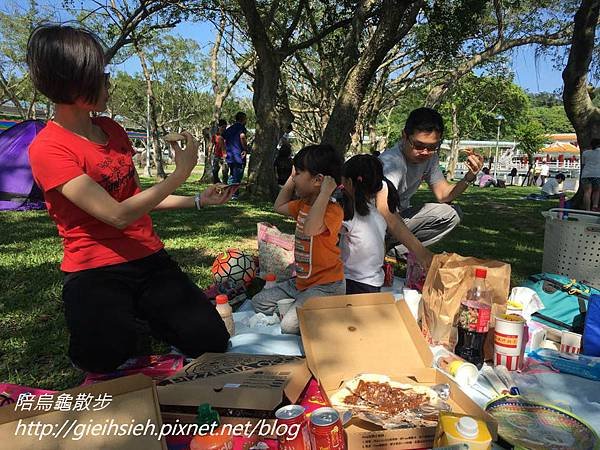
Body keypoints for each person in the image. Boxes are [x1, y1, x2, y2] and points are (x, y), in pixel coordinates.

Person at [26, 24, 235, 373]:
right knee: (101, 360)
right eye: (102, 75)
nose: (109, 83)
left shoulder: (113, 130)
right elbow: (118, 215)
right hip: (94, 269)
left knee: (211, 339)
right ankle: (129, 319)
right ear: (75, 83)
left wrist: (198, 200)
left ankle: (141, 314)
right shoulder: (48, 148)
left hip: (148, 258)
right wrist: (180, 173)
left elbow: (136, 198)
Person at [251, 144, 346, 334]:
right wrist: (291, 179)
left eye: (299, 173)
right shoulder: (302, 204)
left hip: (326, 287)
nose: (294, 177)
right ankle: (303, 308)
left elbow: (311, 228)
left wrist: (326, 192)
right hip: (300, 284)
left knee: (289, 325)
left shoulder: (333, 211)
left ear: (318, 180)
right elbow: (279, 206)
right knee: (258, 302)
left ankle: (320, 310)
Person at [379, 107, 484, 267]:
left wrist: (469, 176)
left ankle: (394, 251)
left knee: (451, 213)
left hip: (396, 218)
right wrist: (422, 253)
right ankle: (385, 248)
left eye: (432, 147)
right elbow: (384, 211)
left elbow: (444, 195)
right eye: (419, 145)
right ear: (404, 136)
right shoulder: (392, 163)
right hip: (374, 221)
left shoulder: (430, 157)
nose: (425, 152)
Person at [341, 154, 399, 294]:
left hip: (353, 282)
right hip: (374, 282)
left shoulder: (349, 214)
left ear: (348, 182)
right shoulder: (379, 215)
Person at [222, 111, 248, 194]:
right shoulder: (241, 127)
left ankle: (229, 192)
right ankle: (234, 194)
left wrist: (224, 151)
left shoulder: (230, 128)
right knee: (237, 175)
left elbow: (222, 138)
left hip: (230, 156)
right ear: (243, 119)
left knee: (232, 174)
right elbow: (242, 136)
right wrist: (245, 148)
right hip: (238, 156)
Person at [582, 139, 600, 211]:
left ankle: (587, 209)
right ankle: (595, 206)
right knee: (597, 191)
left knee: (587, 192)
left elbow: (583, 164)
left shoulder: (585, 153)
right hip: (598, 174)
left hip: (586, 174)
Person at [211, 119, 227, 184]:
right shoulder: (215, 136)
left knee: (225, 172)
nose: (224, 129)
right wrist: (210, 154)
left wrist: (225, 156)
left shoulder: (227, 135)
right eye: (222, 127)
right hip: (217, 156)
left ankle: (225, 185)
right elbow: (212, 145)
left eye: (225, 127)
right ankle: (216, 184)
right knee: (215, 171)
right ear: (219, 127)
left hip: (225, 156)